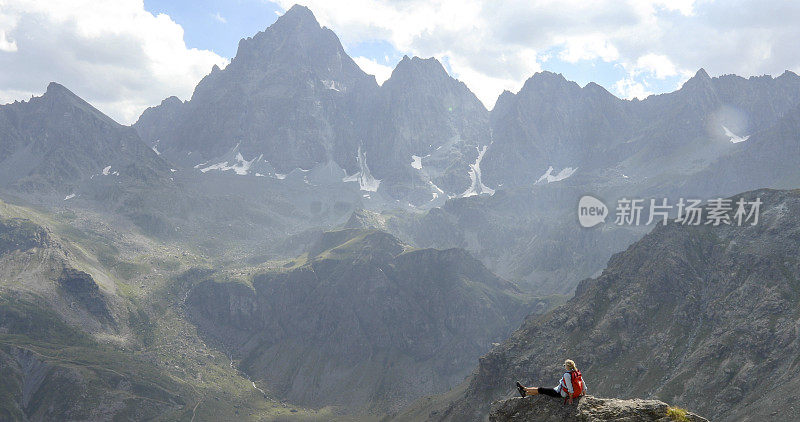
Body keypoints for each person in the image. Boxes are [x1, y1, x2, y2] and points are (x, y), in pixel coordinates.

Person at [515, 359, 586, 404]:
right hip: (574, 393)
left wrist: (570, 399)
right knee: (544, 391)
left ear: (567, 367)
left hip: (562, 393)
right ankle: (526, 393)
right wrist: (583, 394)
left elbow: (570, 388)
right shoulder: (576, 372)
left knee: (542, 389)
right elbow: (583, 384)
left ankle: (525, 389)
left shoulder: (567, 375)